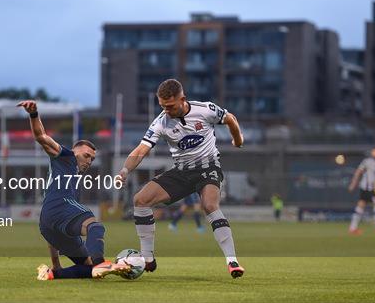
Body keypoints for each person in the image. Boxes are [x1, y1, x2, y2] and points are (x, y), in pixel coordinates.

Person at [117, 79, 245, 278]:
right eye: (162, 106)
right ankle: (148, 259)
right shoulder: (161, 122)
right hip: (181, 172)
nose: (166, 110)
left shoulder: (205, 109)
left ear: (182, 99)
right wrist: (125, 171)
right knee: (140, 200)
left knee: (210, 205)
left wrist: (238, 139)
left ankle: (232, 262)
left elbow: (231, 119)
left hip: (207, 168)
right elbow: (142, 149)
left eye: (170, 106)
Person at [17, 100, 131, 280]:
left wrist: (55, 262)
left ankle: (52, 274)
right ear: (74, 151)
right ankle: (101, 261)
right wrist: (33, 114)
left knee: (90, 269)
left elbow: (52, 230)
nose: (89, 161)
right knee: (95, 226)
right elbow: (41, 137)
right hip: (58, 208)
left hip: (47, 223)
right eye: (86, 155)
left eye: (92, 159)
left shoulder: (71, 180)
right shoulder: (65, 156)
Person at [347, 146, 375, 235]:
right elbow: (358, 172)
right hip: (367, 188)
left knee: (360, 206)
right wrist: (353, 184)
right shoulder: (367, 161)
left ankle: (352, 228)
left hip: (373, 188)